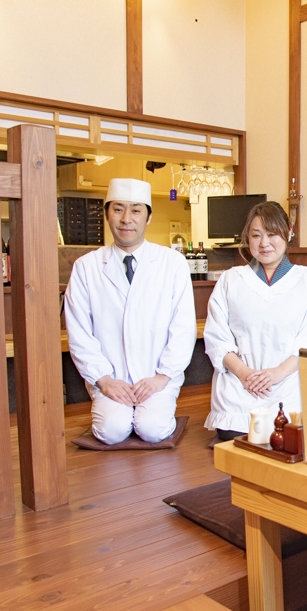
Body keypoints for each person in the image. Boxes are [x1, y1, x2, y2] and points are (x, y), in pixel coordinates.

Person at [64, 178, 197, 445]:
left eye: (136, 210)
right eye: (118, 209)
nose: (127, 219)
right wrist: (104, 380)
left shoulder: (172, 263)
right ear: (106, 214)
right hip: (111, 377)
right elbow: (78, 331)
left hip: (157, 376)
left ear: (148, 217)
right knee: (111, 432)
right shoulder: (85, 267)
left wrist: (162, 376)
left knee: (153, 430)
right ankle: (117, 405)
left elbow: (183, 327)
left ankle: (150, 407)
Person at [203, 201, 307, 439]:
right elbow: (217, 338)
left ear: (289, 232)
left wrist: (276, 374)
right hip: (240, 382)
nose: (264, 243)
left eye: (272, 234)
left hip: (287, 381)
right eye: (256, 235)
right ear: (247, 238)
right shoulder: (231, 279)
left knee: (287, 432)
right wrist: (244, 374)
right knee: (236, 433)